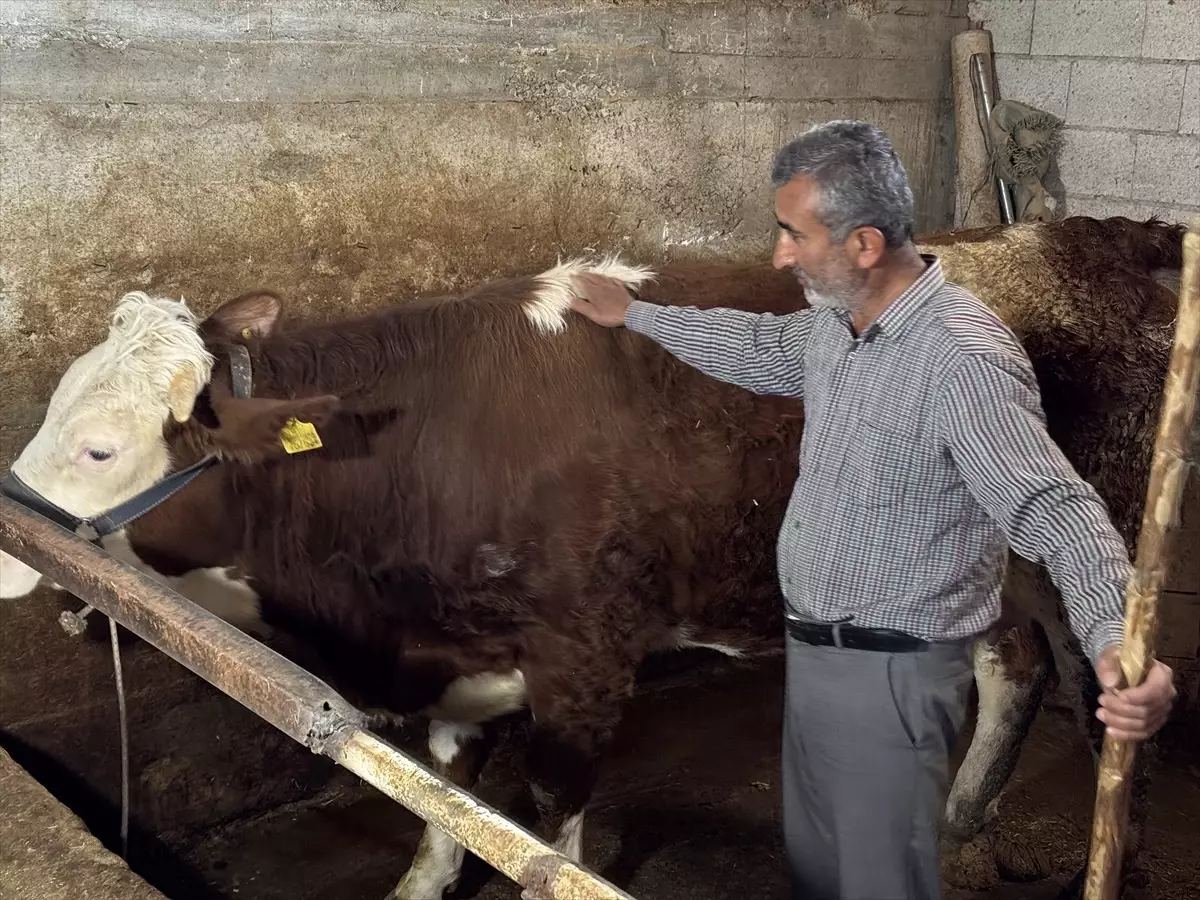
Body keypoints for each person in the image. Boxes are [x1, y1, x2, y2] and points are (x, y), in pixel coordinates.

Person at [567, 120, 1178, 900]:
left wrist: (1114, 640)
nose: (779, 255)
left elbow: (1057, 508)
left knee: (875, 879)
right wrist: (641, 315)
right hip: (817, 648)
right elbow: (760, 349)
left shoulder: (962, 360)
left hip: (896, 669)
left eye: (794, 235)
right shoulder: (838, 325)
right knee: (822, 863)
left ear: (862, 244)